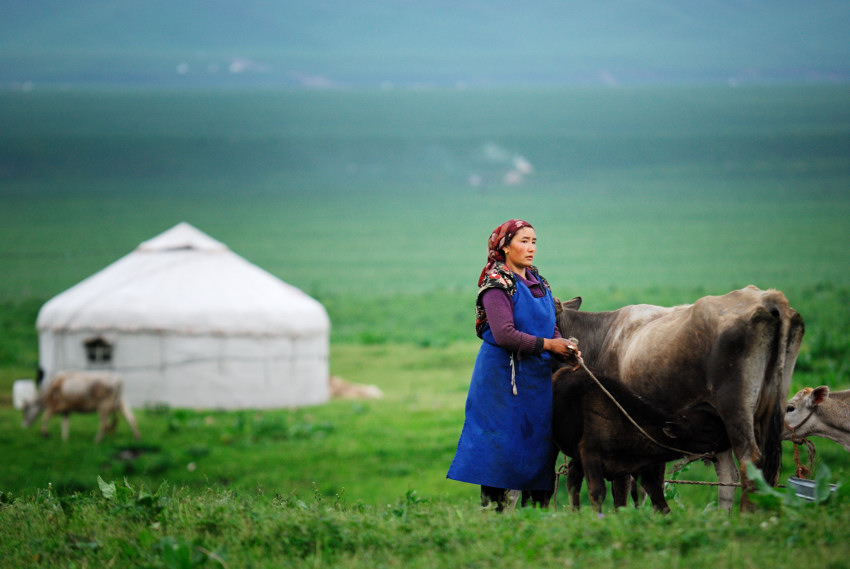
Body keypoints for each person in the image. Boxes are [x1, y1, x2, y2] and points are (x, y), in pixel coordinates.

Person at [447, 219, 579, 511]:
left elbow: (549, 325)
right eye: (523, 241)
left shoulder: (538, 280)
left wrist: (564, 345)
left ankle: (533, 517)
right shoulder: (497, 283)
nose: (530, 248)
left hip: (535, 377)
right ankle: (493, 515)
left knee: (536, 443)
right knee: (499, 446)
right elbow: (505, 334)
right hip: (500, 378)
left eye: (534, 242)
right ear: (504, 246)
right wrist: (549, 345)